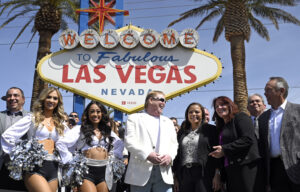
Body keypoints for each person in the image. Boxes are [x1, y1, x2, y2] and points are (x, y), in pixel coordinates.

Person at [1, 87, 68, 192]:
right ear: (43, 99)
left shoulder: (60, 122)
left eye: (55, 98)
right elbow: (8, 136)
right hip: (35, 168)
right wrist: (19, 156)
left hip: (53, 167)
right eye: (48, 97)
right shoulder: (32, 117)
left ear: (58, 102)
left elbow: (68, 143)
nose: (51, 100)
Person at [56, 101, 124, 192]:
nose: (95, 114)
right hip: (86, 171)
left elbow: (120, 144)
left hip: (105, 171)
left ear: (102, 113)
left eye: (98, 111)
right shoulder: (80, 129)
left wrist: (113, 157)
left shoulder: (107, 130)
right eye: (92, 111)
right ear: (87, 114)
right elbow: (61, 143)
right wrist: (71, 160)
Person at [124, 90, 178, 192]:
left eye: (165, 101)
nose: (164, 103)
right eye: (162, 100)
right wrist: (148, 154)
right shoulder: (134, 118)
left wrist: (170, 157)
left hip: (163, 173)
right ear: (151, 100)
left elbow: (174, 144)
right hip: (140, 172)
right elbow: (129, 141)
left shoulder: (168, 122)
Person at [209, 96, 260, 192]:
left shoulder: (241, 117)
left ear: (230, 105)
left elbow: (248, 139)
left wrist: (224, 149)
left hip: (246, 167)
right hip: (230, 171)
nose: (219, 107)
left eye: (222, 104)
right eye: (216, 106)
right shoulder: (222, 127)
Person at [259, 77, 300, 192]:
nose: (265, 94)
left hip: (296, 166)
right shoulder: (263, 118)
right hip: (274, 170)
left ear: (281, 91)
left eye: (268, 90)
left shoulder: (298, 110)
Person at [173, 102, 221, 192]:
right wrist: (175, 177)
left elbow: (217, 153)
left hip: (204, 173)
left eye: (197, 112)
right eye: (190, 112)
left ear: (202, 114)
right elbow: (177, 155)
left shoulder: (211, 130)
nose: (193, 114)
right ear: (187, 115)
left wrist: (217, 174)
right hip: (184, 174)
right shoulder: (182, 132)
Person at [0, 87, 28, 191]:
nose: (12, 98)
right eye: (9, 96)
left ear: (23, 99)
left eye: (16, 95)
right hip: (2, 166)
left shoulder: (32, 117)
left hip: (24, 169)